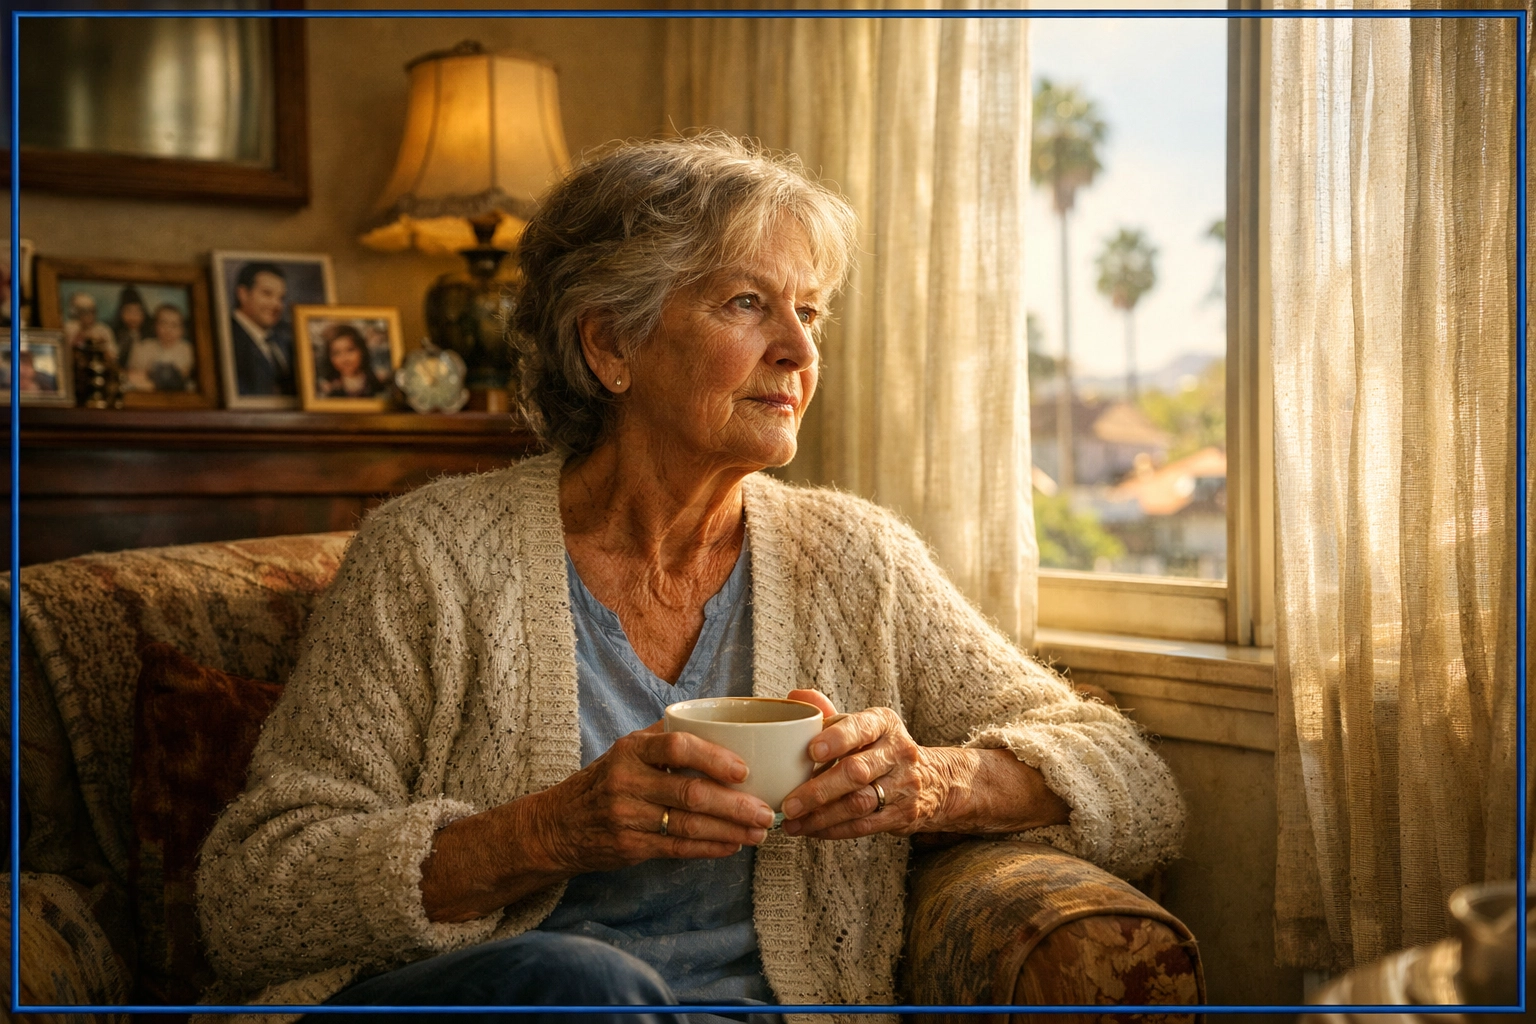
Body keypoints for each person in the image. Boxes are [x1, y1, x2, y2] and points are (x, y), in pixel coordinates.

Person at [197, 136, 1185, 1020]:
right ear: (611, 344)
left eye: (809, 313)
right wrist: (547, 830)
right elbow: (252, 889)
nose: (798, 350)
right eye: (748, 304)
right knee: (586, 986)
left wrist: (933, 784)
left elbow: (1133, 779)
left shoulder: (855, 558)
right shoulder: (430, 554)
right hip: (494, 1007)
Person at [229, 261, 294, 396]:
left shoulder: (284, 339)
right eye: (267, 294)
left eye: (281, 298)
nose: (277, 305)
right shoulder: (228, 337)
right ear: (243, 294)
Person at [125, 304, 196, 393]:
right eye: (163, 323)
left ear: (182, 329)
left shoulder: (190, 351)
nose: (168, 329)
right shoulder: (141, 348)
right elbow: (131, 377)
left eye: (174, 325)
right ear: (155, 325)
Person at [315, 323, 382, 398]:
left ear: (362, 350)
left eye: (350, 350)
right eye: (336, 353)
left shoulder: (376, 383)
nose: (344, 359)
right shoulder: (328, 388)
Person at [63, 292, 116, 359]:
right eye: (84, 311)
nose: (89, 315)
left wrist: (102, 347)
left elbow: (113, 356)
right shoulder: (69, 328)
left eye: (92, 311)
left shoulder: (104, 330)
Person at [113, 287, 150, 370]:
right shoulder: (117, 335)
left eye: (137, 311)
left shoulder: (150, 335)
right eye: (128, 311)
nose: (133, 317)